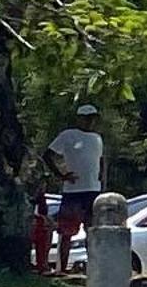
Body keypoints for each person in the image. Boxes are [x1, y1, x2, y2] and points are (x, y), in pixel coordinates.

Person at [42, 104, 106, 276]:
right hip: (73, 190)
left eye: (93, 118)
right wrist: (61, 175)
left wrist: (102, 182)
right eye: (86, 117)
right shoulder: (68, 135)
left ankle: (94, 267)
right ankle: (61, 267)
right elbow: (48, 155)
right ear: (79, 118)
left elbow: (101, 161)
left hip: (93, 190)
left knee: (92, 230)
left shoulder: (97, 138)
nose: (90, 121)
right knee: (67, 230)